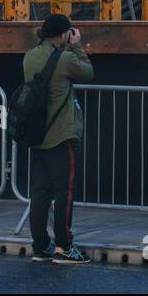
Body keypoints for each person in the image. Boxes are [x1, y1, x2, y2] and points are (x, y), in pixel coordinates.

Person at [22, 14, 95, 264]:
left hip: (37, 135)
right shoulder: (65, 59)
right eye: (68, 33)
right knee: (64, 192)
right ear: (63, 34)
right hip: (62, 135)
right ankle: (64, 247)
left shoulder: (29, 57)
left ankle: (40, 246)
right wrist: (77, 46)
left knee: (40, 192)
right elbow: (87, 73)